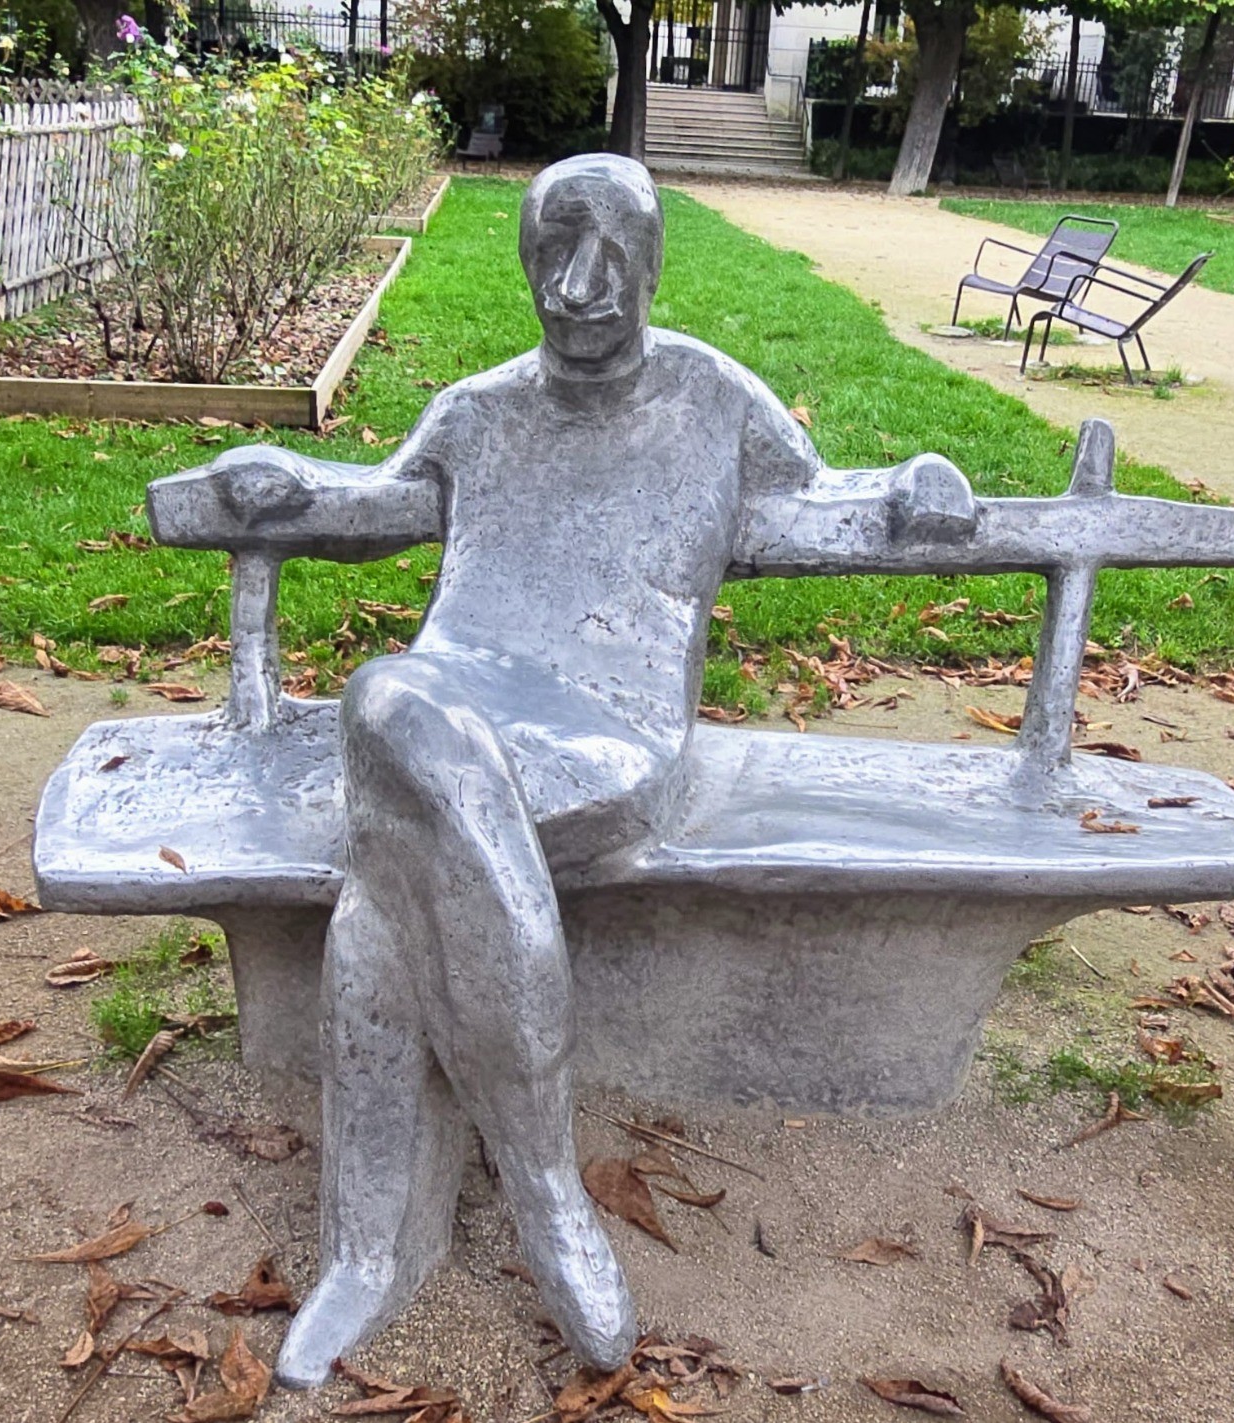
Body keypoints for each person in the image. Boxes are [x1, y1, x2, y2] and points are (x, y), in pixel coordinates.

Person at [204, 154, 972, 1387]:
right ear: (523, 263)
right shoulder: (477, 411)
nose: (578, 287)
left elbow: (834, 493)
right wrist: (285, 481)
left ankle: (380, 1250)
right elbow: (373, 502)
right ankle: (538, 1203)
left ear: (653, 266)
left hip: (606, 738)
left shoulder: (712, 395)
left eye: (612, 256)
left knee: (388, 836)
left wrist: (919, 482)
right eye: (554, 254)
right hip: (446, 711)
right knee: (399, 748)